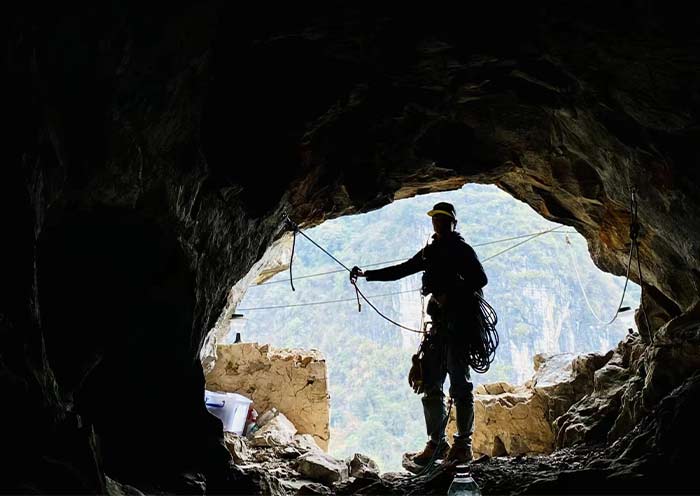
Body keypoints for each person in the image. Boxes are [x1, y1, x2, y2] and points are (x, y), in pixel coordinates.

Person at [354, 201, 488, 465]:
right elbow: (403, 269)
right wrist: (367, 274)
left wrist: (452, 292)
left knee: (460, 386)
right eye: (436, 219)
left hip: (459, 327)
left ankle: (463, 445)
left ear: (453, 223)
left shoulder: (462, 251)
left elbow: (480, 279)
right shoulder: (430, 252)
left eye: (443, 219)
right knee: (431, 383)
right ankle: (437, 444)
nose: (438, 223)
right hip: (438, 329)